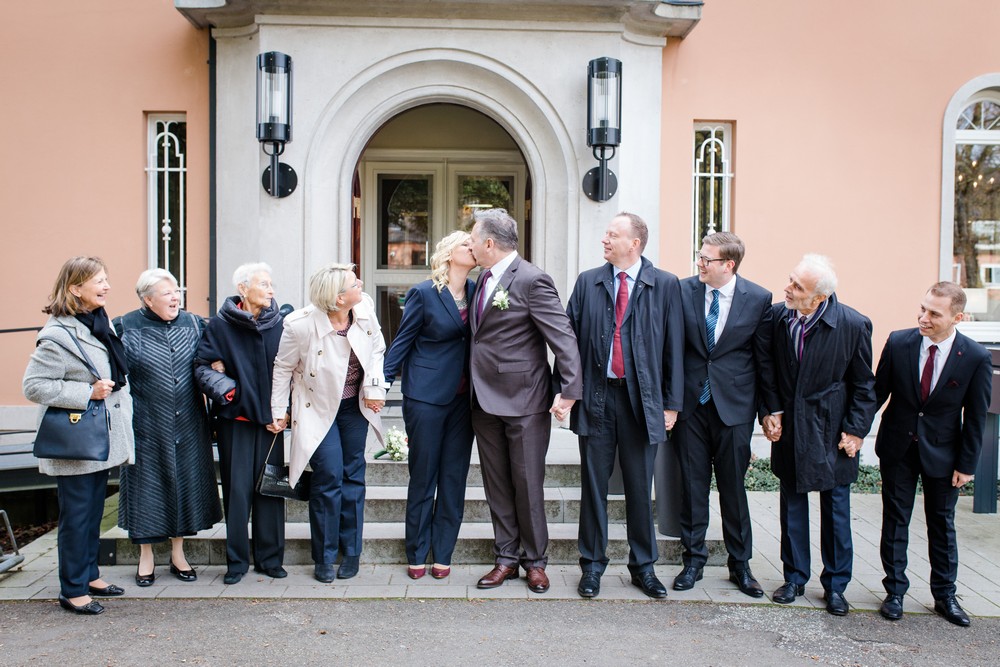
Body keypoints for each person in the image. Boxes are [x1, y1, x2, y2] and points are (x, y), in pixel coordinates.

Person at [565, 212, 683, 600]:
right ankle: (592, 566)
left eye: (613, 235)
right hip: (597, 398)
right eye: (605, 233)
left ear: (634, 243)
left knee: (639, 487)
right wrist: (566, 390)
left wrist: (671, 404)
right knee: (593, 487)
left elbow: (674, 347)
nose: (605, 239)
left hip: (642, 402)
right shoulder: (588, 282)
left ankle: (643, 568)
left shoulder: (664, 284)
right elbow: (568, 342)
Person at [468, 208, 582, 595]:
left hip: (525, 400)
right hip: (483, 400)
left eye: (473, 238)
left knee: (528, 484)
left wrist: (569, 391)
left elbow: (563, 338)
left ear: (488, 243)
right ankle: (505, 558)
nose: (469, 244)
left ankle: (535, 562)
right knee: (497, 483)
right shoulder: (483, 279)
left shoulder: (532, 280)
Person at [873, 282, 991, 626]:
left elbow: (976, 416)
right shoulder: (899, 342)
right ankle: (895, 592)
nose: (923, 317)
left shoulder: (975, 357)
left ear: (957, 318)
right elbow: (877, 393)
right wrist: (854, 431)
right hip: (897, 448)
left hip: (944, 455)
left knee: (942, 525)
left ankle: (945, 596)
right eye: (923, 309)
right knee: (895, 521)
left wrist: (967, 465)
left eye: (934, 313)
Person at [766, 254, 877, 616]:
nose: (788, 288)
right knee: (792, 509)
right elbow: (767, 369)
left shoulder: (853, 324)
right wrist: (771, 410)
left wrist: (856, 431)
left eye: (797, 286)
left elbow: (864, 385)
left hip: (832, 430)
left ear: (819, 298)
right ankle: (794, 578)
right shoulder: (778, 317)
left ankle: (836, 586)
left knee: (836, 513)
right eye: (791, 279)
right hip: (791, 428)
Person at [23, 257, 135, 615]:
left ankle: (89, 574)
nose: (106, 286)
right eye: (98, 281)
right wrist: (87, 392)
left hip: (99, 435)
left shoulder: (98, 323)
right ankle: (72, 589)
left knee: (92, 511)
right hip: (76, 439)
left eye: (106, 279)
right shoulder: (58, 336)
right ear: (75, 288)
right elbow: (34, 386)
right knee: (77, 515)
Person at [672, 232, 778, 597]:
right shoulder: (682, 291)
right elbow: (672, 349)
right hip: (691, 406)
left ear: (728, 265)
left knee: (733, 489)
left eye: (707, 259)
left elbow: (764, 359)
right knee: (692, 487)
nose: (699, 263)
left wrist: (769, 410)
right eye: (699, 256)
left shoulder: (758, 298)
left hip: (734, 408)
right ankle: (693, 561)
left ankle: (740, 565)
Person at [270, 263, 387, 583]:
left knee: (353, 475)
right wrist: (279, 409)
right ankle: (323, 555)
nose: (361, 284)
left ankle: (351, 552)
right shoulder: (299, 325)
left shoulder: (364, 308)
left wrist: (375, 388)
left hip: (353, 406)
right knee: (329, 476)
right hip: (317, 408)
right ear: (338, 298)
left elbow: (377, 349)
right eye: (354, 283)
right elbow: (283, 367)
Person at [113, 269, 222, 586]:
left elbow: (211, 363)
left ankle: (178, 554)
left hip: (188, 421)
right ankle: (146, 557)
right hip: (145, 424)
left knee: (185, 485)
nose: (176, 298)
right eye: (167, 293)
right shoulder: (124, 326)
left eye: (177, 292)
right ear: (148, 300)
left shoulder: (195, 324)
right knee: (145, 488)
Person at [383, 232, 476, 580]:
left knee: (454, 478)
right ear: (450, 253)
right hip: (425, 397)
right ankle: (417, 552)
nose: (473, 248)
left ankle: (444, 554)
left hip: (465, 401)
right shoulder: (424, 293)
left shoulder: (480, 291)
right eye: (466, 244)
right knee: (423, 477)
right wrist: (381, 385)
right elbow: (402, 341)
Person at [194, 263, 286, 585]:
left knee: (272, 488)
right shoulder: (220, 326)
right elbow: (202, 367)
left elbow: (293, 368)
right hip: (236, 420)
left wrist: (284, 410)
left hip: (272, 422)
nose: (271, 290)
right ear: (243, 289)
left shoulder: (281, 324)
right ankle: (236, 562)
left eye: (271, 284)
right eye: (264, 284)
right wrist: (230, 391)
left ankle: (270, 559)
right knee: (237, 491)